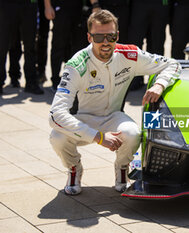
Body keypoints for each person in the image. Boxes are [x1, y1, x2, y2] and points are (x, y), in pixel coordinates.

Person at [49, 10, 181, 195]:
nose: (105, 42)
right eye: (98, 37)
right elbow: (55, 115)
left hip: (113, 116)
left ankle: (121, 168)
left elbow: (173, 64)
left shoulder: (130, 54)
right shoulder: (76, 64)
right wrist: (99, 137)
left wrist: (160, 84)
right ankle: (74, 169)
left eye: (110, 36)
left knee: (133, 133)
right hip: (83, 118)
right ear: (89, 37)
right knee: (57, 137)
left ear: (117, 35)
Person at [44, 0, 99, 92]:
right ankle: (55, 80)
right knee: (59, 44)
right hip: (60, 7)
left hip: (78, 8)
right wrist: (47, 6)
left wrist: (95, 4)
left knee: (77, 46)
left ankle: (73, 79)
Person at [0, 0, 44, 95]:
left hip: (29, 5)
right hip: (7, 5)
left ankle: (31, 83)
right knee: (2, 45)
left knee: (30, 46)